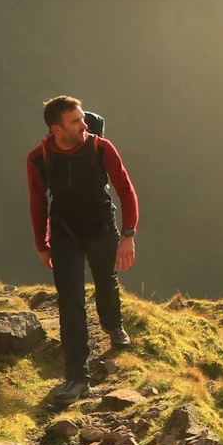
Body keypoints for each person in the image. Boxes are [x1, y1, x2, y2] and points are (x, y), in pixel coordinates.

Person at [26, 95, 139, 407]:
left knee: (106, 280)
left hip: (102, 228)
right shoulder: (39, 158)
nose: (84, 125)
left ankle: (113, 325)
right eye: (75, 121)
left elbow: (125, 190)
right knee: (70, 300)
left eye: (82, 118)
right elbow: (37, 203)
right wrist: (42, 244)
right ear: (56, 128)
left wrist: (128, 234)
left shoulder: (101, 148)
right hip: (64, 234)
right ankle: (77, 378)